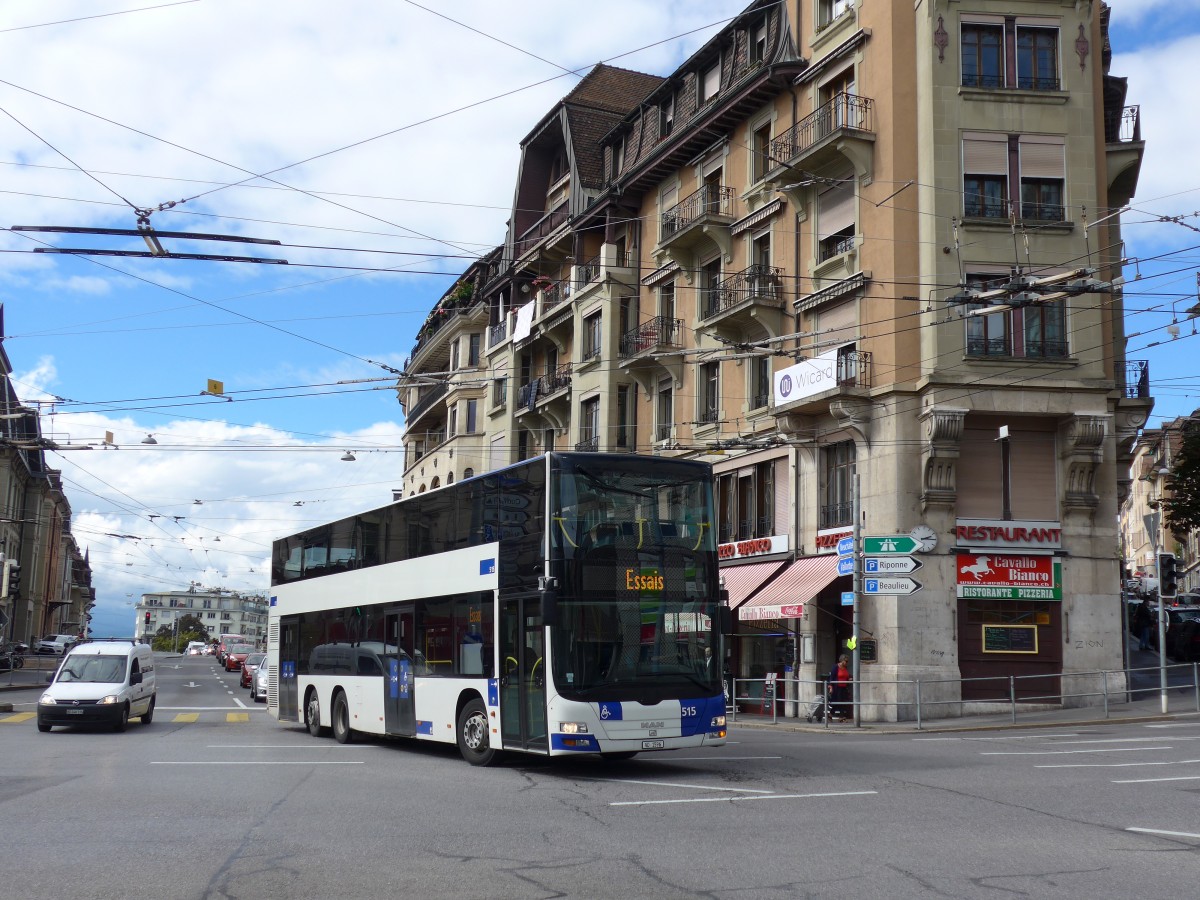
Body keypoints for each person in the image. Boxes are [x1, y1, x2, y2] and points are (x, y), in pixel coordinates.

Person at [828, 654, 852, 722]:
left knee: (841, 702)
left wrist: (849, 679)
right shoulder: (836, 667)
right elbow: (831, 677)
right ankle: (841, 717)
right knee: (839, 702)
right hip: (837, 687)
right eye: (846, 661)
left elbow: (846, 676)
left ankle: (831, 715)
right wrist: (830, 687)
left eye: (847, 661)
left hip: (843, 687)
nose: (847, 663)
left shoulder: (845, 668)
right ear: (842, 660)